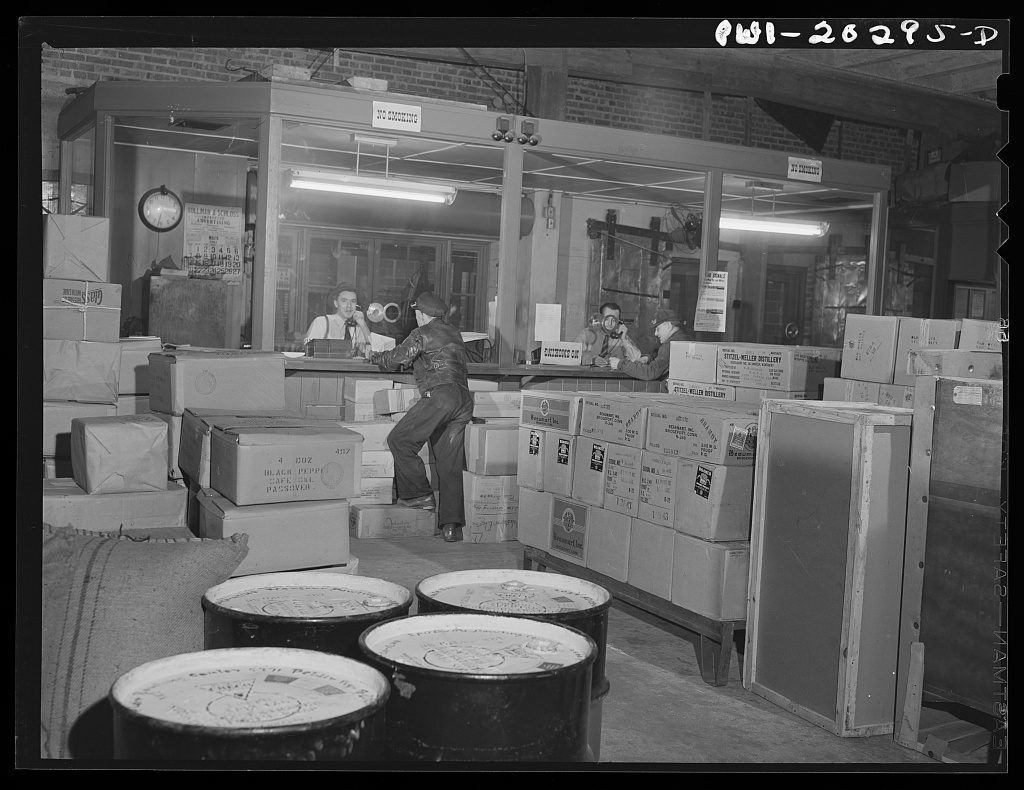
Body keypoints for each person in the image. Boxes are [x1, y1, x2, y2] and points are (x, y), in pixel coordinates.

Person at [368, 291, 474, 543]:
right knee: (449, 464)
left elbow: (397, 358)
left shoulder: (422, 333)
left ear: (422, 314)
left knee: (400, 440)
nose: (415, 317)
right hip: (463, 400)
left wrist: (374, 356)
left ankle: (419, 495)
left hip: (440, 397)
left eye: (416, 313)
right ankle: (451, 526)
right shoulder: (455, 333)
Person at [607, 308, 694, 387]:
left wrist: (620, 364)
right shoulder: (684, 338)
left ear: (668, 326)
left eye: (658, 328)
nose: (655, 333)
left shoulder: (671, 345)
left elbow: (650, 372)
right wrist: (648, 358)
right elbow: (663, 361)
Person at [302, 282, 372, 355]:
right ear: (336, 303)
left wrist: (363, 324)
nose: (349, 306)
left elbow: (371, 353)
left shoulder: (358, 328)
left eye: (353, 301)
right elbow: (308, 350)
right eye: (344, 301)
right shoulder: (321, 322)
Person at [573, 302, 646, 367]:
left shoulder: (621, 337)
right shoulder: (587, 334)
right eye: (607, 319)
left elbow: (637, 359)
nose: (610, 323)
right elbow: (572, 357)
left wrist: (624, 340)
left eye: (614, 320)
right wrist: (592, 360)